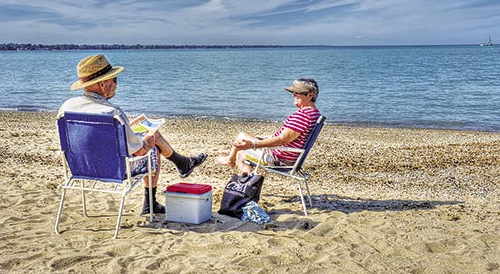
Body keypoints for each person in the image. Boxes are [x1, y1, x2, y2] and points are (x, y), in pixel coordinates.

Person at [58, 54, 207, 215]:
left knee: (149, 136)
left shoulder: (66, 107)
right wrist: (148, 143)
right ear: (102, 84)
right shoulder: (112, 113)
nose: (116, 84)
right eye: (114, 79)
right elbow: (140, 152)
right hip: (115, 169)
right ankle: (151, 202)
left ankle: (182, 163)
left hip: (80, 166)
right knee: (153, 147)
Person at [215, 78, 321, 175]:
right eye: (293, 92)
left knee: (241, 153)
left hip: (280, 160)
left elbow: (282, 140)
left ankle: (246, 183)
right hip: (289, 156)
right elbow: (289, 138)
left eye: (298, 92)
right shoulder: (314, 114)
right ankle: (230, 160)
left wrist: (254, 145)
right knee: (242, 136)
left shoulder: (302, 116)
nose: (293, 95)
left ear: (310, 95)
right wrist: (266, 139)